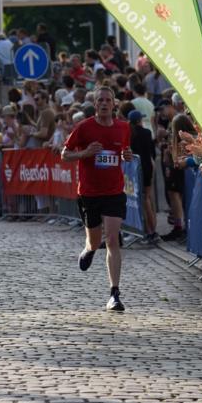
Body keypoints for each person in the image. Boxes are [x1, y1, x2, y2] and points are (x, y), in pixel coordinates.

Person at [61, 85, 133, 312]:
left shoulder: (123, 128)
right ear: (95, 105)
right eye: (100, 100)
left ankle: (114, 294)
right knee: (95, 241)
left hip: (114, 191)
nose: (103, 103)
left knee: (112, 240)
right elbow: (64, 155)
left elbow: (124, 152)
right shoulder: (83, 128)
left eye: (107, 100)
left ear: (114, 104)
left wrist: (127, 155)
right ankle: (89, 249)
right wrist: (84, 154)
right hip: (89, 193)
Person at [128, 109, 158, 243]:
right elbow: (152, 152)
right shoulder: (146, 132)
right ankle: (151, 230)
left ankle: (149, 230)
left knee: (141, 200)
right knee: (146, 199)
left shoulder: (129, 134)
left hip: (134, 170)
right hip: (146, 168)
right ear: (140, 120)